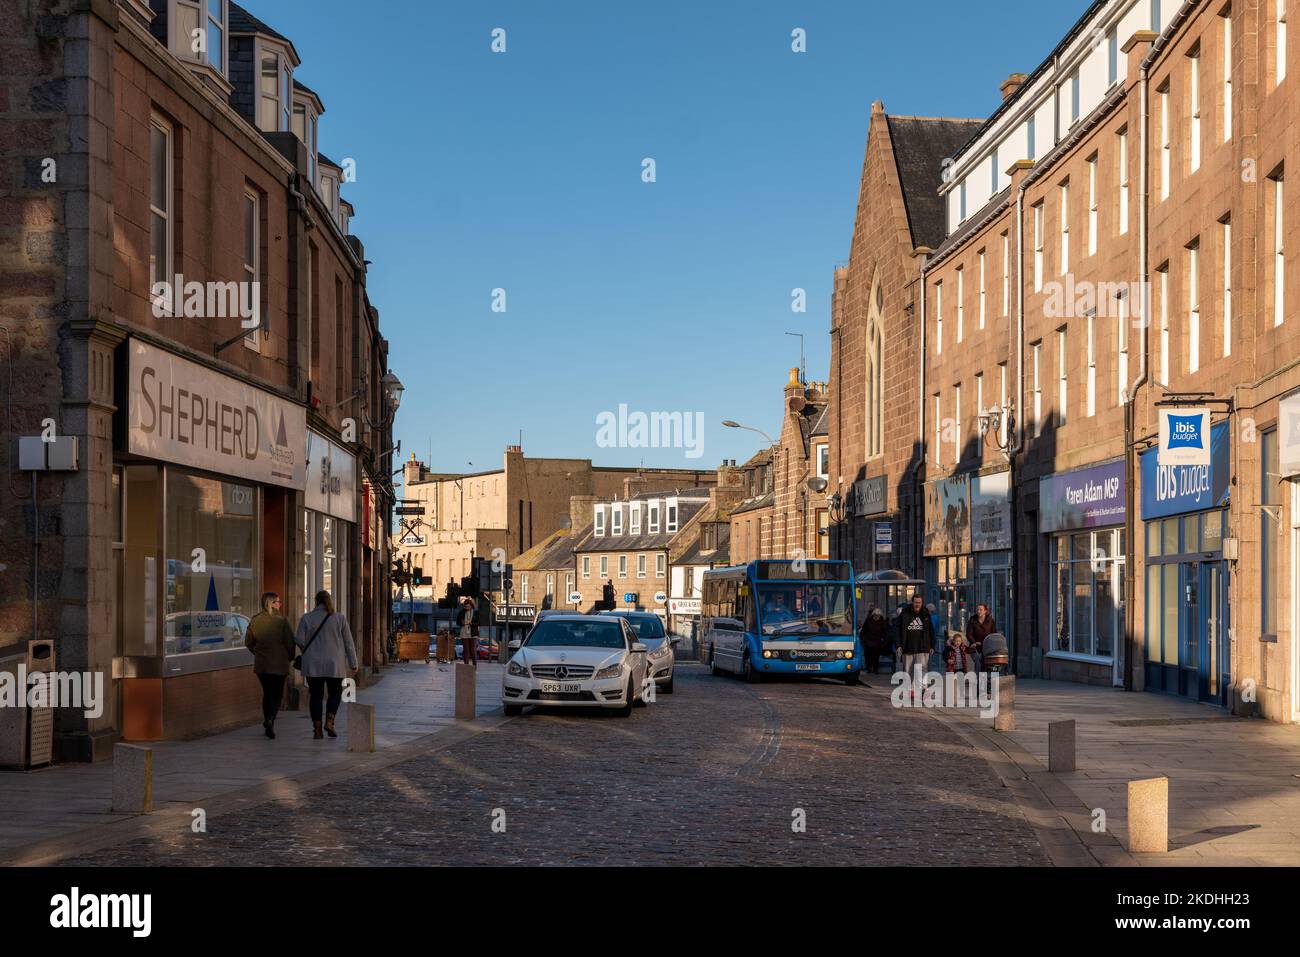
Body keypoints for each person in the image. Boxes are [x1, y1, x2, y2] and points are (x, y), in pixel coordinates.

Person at [295, 590, 358, 740]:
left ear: (316, 601)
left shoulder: (306, 618)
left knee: (316, 695)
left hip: (312, 663)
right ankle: (330, 722)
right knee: (335, 693)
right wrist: (353, 663)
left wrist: (308, 648)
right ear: (329, 601)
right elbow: (349, 643)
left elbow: (299, 640)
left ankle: (317, 729)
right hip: (334, 663)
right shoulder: (339, 618)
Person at [245, 591, 295, 739]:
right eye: (278, 602)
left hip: (262, 664)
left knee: (267, 692)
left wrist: (258, 653)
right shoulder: (282, 621)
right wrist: (289, 657)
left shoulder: (255, 620)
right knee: (277, 692)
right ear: (271, 603)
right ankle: (270, 718)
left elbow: (248, 642)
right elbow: (290, 642)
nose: (280, 604)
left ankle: (268, 718)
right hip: (279, 664)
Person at [897, 594, 936, 699]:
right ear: (912, 602)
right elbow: (896, 629)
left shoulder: (926, 614)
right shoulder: (905, 613)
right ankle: (909, 690)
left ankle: (923, 688)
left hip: (923, 647)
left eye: (919, 602)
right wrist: (898, 645)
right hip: (908, 647)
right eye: (915, 602)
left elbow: (931, 631)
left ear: (921, 603)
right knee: (908, 670)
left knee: (922, 669)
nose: (917, 604)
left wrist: (933, 645)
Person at [859, 603, 889, 675]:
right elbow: (864, 630)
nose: (877, 617)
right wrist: (863, 639)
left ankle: (875, 669)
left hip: (877, 641)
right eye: (875, 616)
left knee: (876, 656)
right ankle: (869, 668)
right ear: (873, 615)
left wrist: (884, 640)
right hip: (868, 641)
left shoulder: (882, 622)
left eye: (878, 616)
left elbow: (885, 632)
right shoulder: (868, 620)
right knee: (868, 655)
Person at [966, 603, 996, 671]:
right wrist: (974, 642)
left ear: (985, 611)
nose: (978, 611)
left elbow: (994, 633)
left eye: (981, 610)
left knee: (987, 663)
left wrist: (991, 643)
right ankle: (979, 679)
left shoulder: (990, 620)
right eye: (978, 609)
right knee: (978, 661)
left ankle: (985, 679)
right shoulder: (973, 620)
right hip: (975, 647)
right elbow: (969, 634)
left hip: (987, 647)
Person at [457, 597, 478, 667]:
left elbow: (479, 622)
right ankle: (466, 666)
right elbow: (458, 623)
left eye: (468, 605)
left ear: (471, 605)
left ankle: (474, 665)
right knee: (466, 650)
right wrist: (462, 623)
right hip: (464, 632)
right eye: (465, 606)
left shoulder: (475, 612)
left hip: (473, 632)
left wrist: (472, 623)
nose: (466, 607)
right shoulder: (461, 612)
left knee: (473, 650)